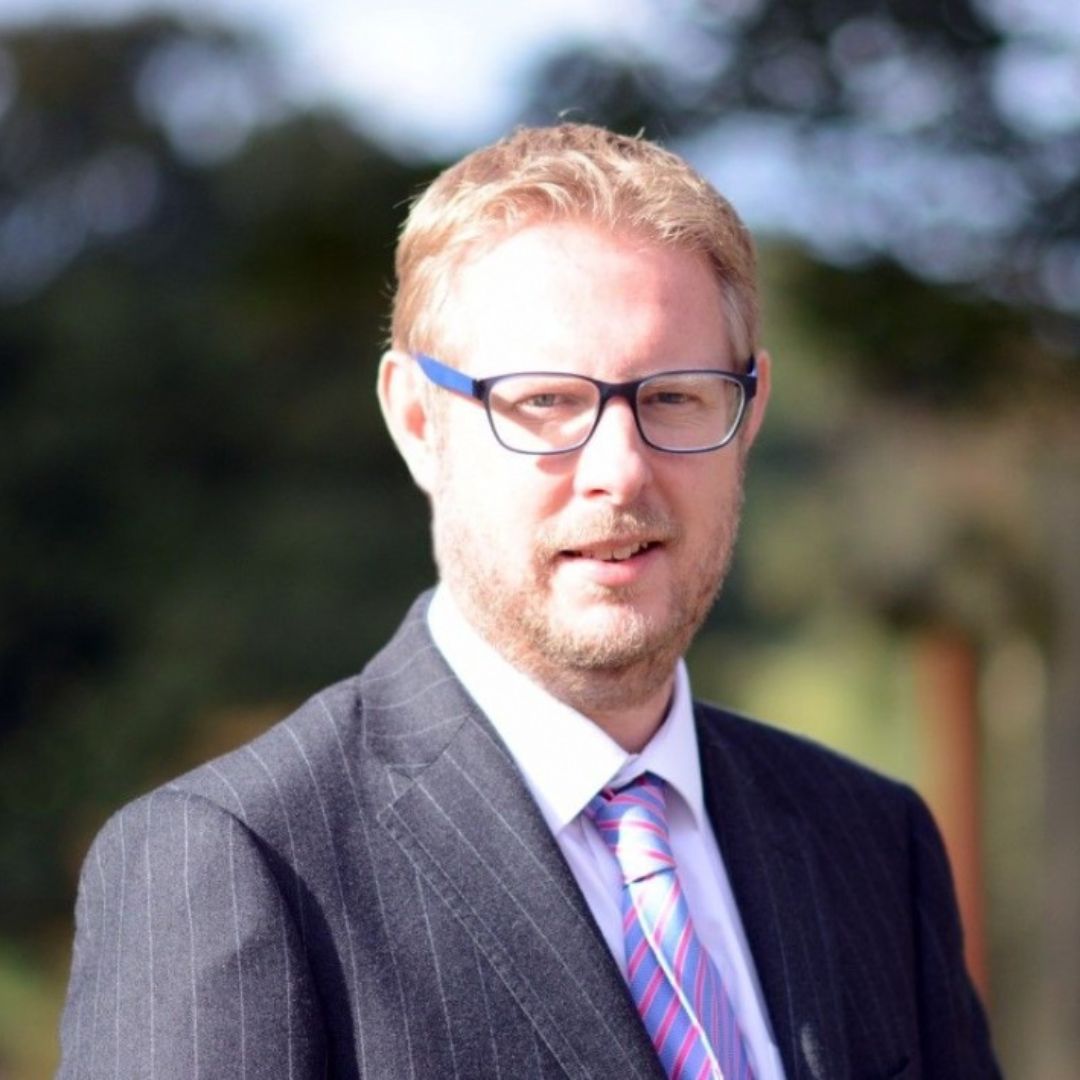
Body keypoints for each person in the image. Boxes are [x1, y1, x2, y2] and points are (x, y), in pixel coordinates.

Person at [58, 123, 999, 1079]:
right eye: (546, 401)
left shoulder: (873, 844)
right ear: (418, 420)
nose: (620, 470)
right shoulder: (235, 863)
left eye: (674, 396)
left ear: (748, 412)